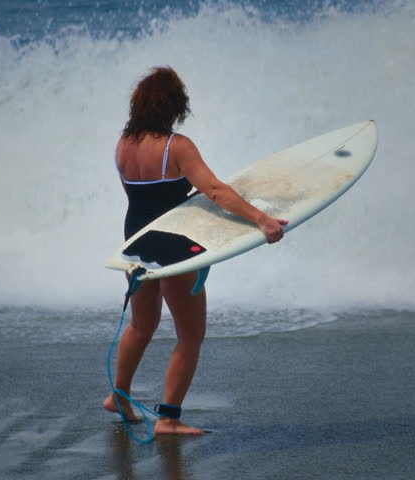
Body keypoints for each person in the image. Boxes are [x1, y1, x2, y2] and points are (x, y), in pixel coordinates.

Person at [103, 66, 288, 435]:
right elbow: (215, 192)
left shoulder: (123, 144)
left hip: (136, 241)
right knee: (190, 334)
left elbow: (145, 197)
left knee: (142, 325)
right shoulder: (177, 146)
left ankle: (118, 397)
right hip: (175, 243)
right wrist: (261, 219)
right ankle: (169, 418)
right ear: (174, 105)